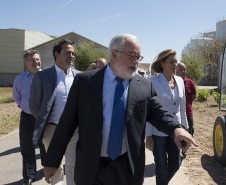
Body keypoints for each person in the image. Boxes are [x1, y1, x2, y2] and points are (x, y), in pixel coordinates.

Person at [41, 33, 197, 185]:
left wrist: (176, 129)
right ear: (114, 54)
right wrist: (52, 161)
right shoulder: (85, 82)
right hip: (91, 165)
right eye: (131, 56)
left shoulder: (144, 85)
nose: (136, 62)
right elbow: (67, 123)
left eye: (138, 57)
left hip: (126, 166)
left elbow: (158, 113)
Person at [29, 39, 80, 185]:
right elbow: (34, 105)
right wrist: (43, 120)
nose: (71, 56)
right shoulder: (43, 76)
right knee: (55, 166)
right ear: (56, 54)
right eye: (67, 53)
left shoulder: (79, 76)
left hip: (75, 129)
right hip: (52, 129)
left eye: (73, 53)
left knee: (74, 163)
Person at [145, 49, 188, 185]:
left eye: (175, 61)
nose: (174, 64)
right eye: (171, 62)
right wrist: (148, 135)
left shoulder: (180, 81)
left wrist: (185, 129)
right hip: (158, 133)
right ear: (162, 63)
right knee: (161, 169)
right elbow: (149, 111)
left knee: (175, 165)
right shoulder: (152, 81)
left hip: (176, 130)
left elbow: (182, 107)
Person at [13, 50, 46, 185]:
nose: (36, 62)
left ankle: (48, 168)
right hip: (27, 118)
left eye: (37, 59)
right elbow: (17, 97)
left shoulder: (47, 76)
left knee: (45, 145)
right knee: (27, 147)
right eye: (32, 60)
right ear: (26, 64)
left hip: (44, 118)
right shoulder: (20, 79)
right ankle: (29, 175)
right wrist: (25, 107)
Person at [176, 62, 196, 136]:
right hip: (176, 114)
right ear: (176, 70)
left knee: (189, 134)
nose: (183, 71)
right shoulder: (172, 82)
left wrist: (187, 104)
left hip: (188, 113)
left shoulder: (190, 82)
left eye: (184, 69)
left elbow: (193, 96)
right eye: (181, 69)